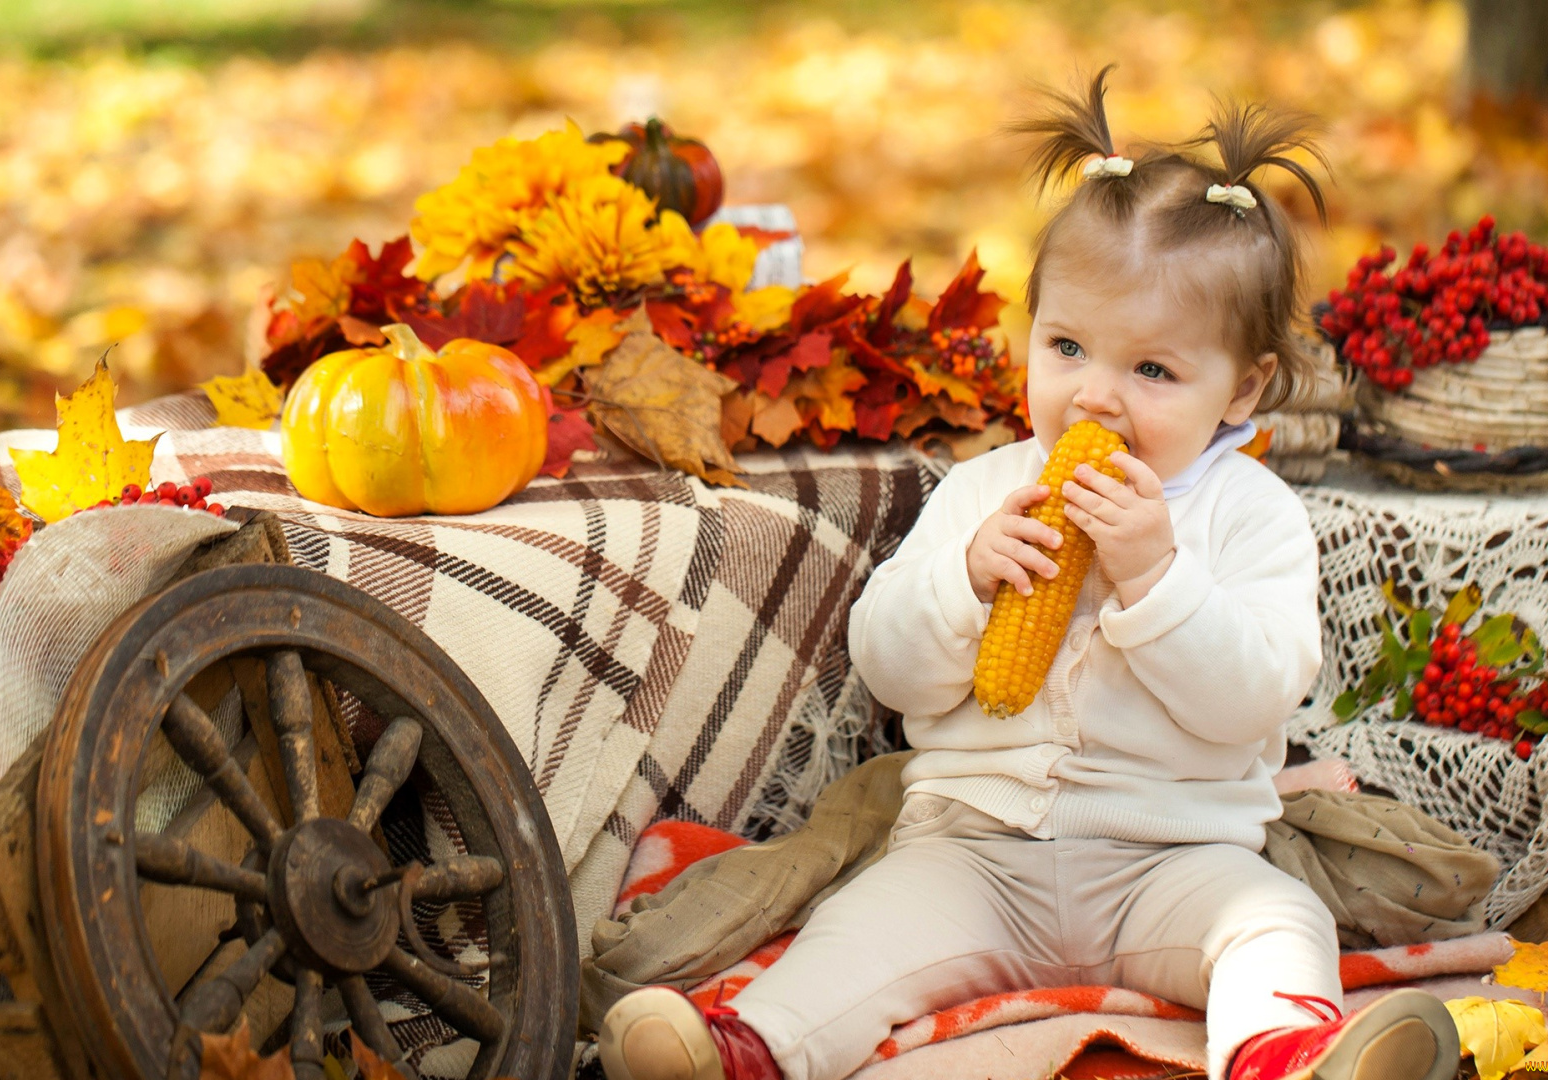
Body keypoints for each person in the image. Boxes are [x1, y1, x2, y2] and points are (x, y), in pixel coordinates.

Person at [596, 70, 1461, 1080]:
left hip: (1175, 862)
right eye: (1067, 346)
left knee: (1278, 919)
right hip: (974, 855)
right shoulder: (986, 491)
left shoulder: (1251, 515)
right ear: (1032, 333)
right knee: (858, 932)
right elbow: (889, 669)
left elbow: (1255, 697)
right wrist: (962, 584)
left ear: (1245, 389)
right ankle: (743, 1052)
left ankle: (1291, 1053)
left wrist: (1156, 579)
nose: (1097, 394)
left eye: (1153, 371)